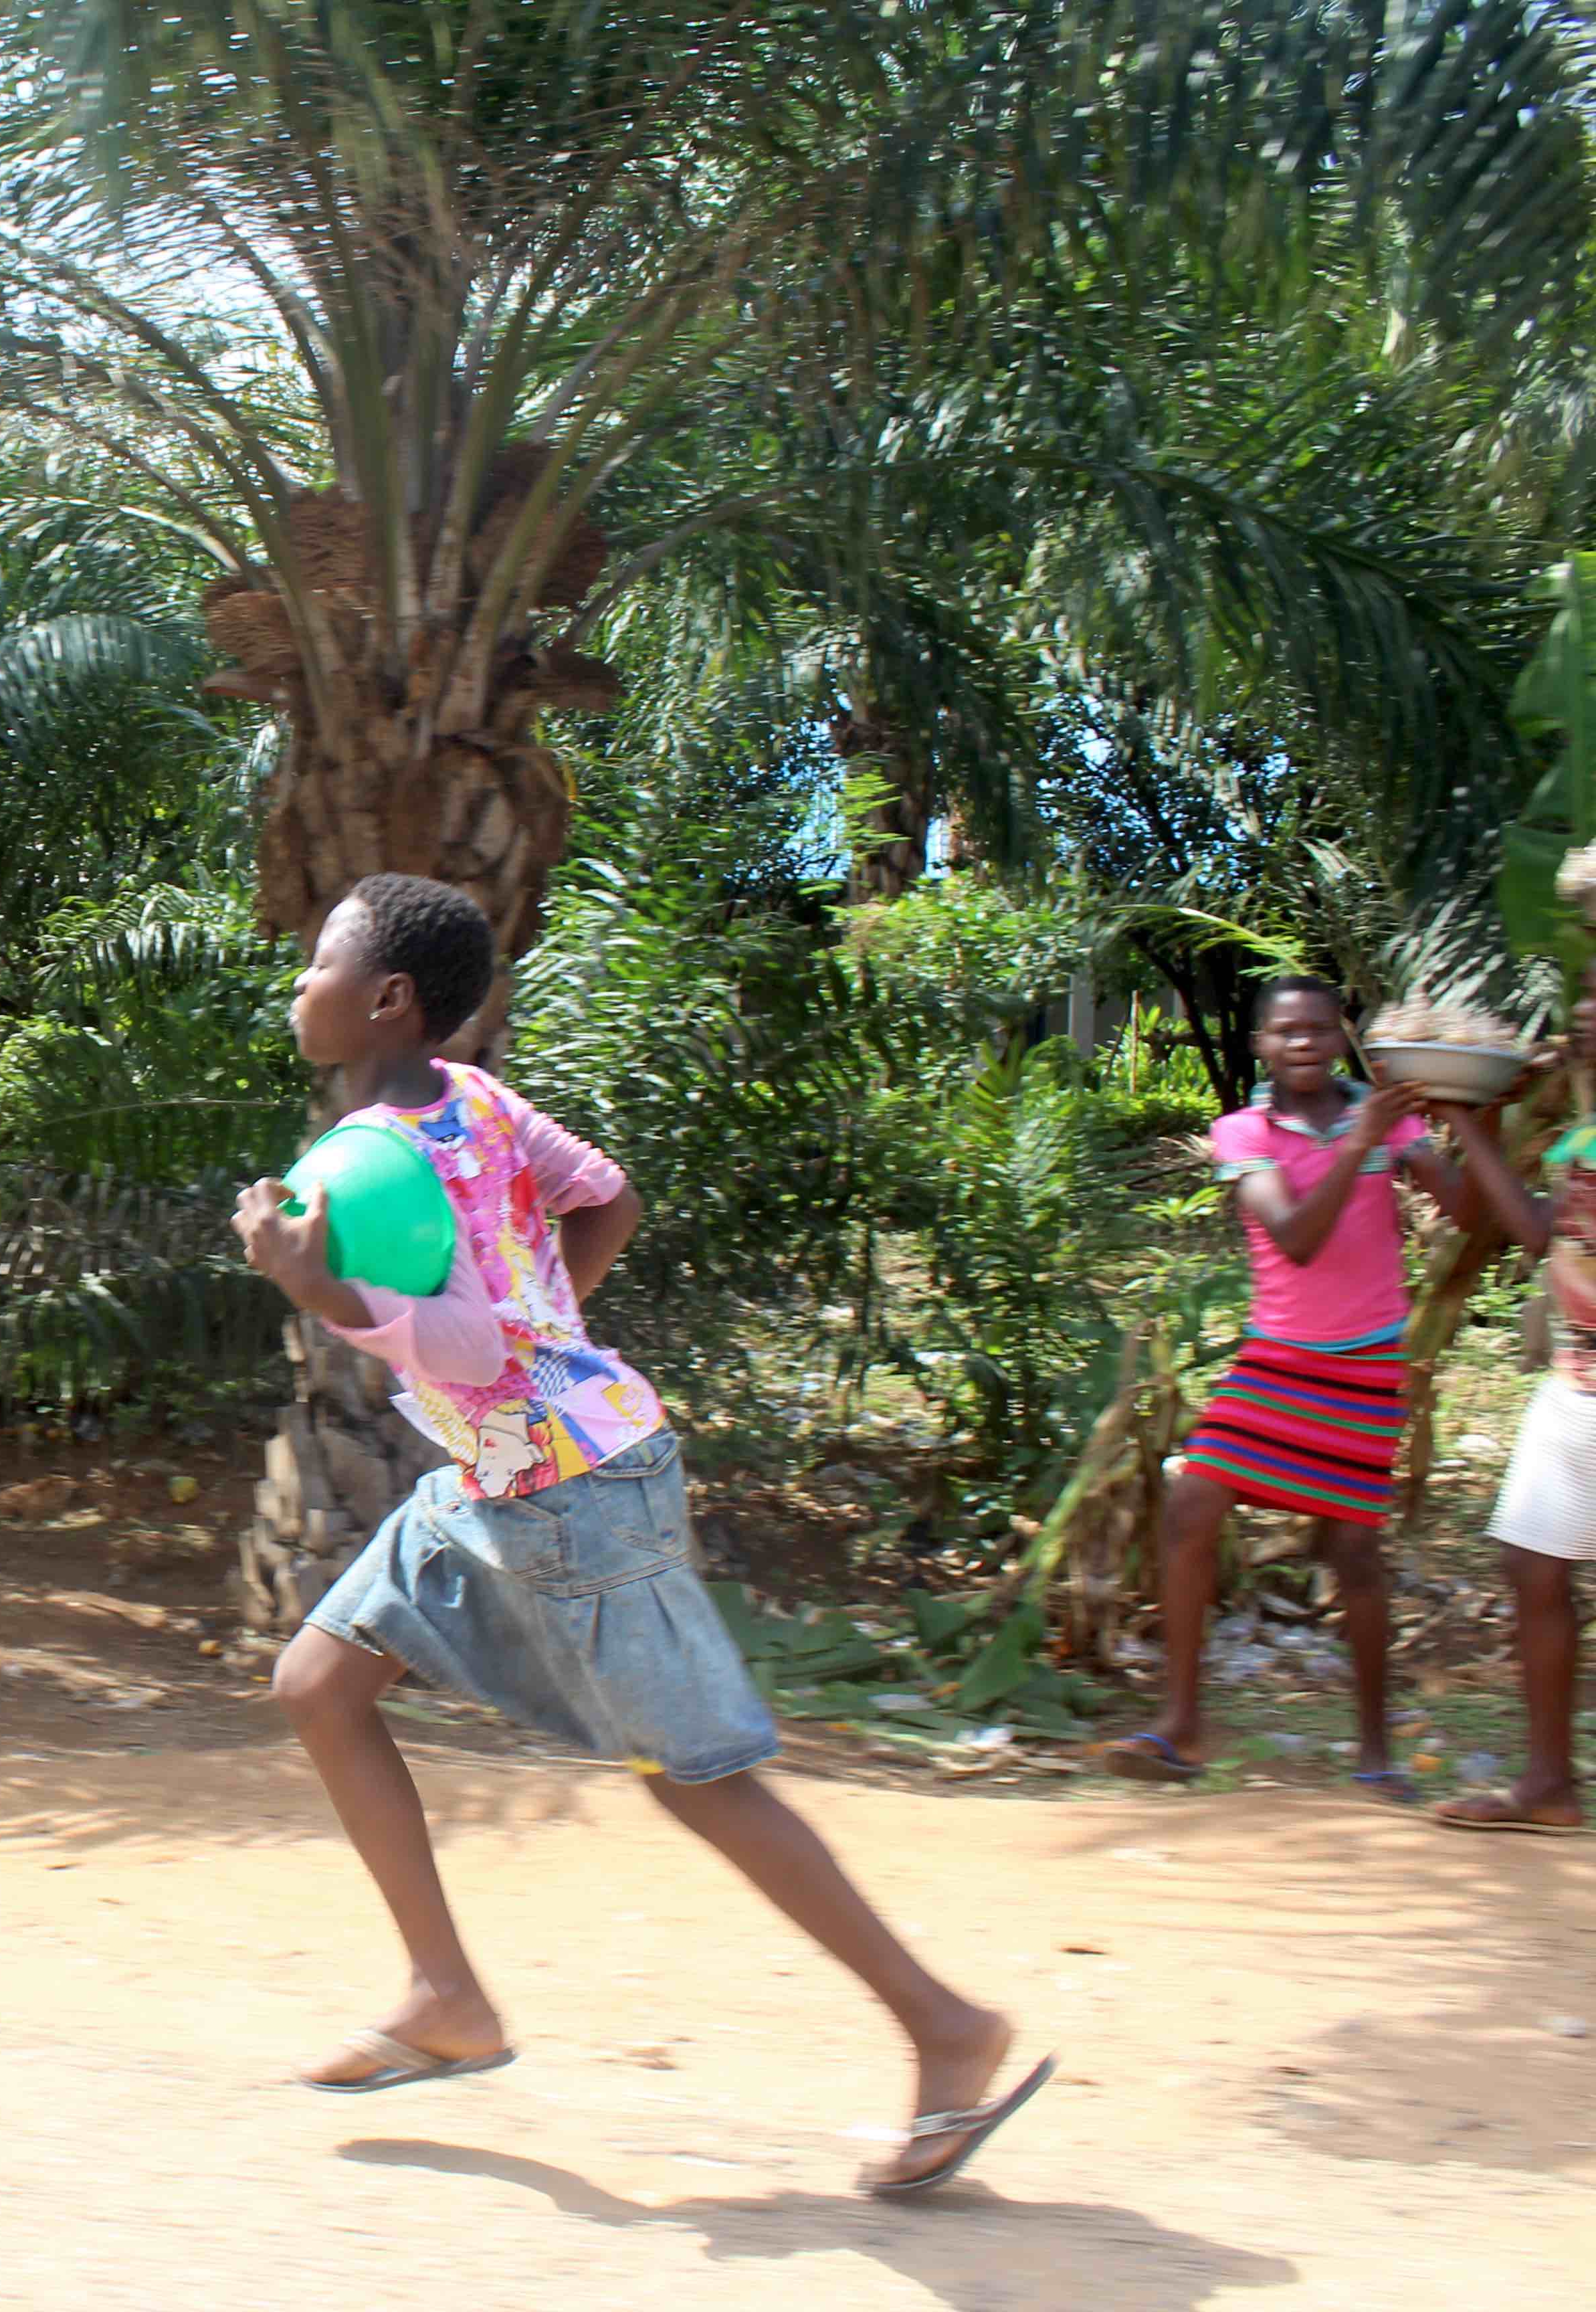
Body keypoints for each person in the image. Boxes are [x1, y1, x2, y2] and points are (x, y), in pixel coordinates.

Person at [232, 872, 1043, 2198]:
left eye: (318, 962)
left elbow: (471, 1343)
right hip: (508, 1470)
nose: (297, 983)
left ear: (386, 998)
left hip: (569, 1490)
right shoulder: (475, 1099)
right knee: (320, 1680)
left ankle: (944, 2026)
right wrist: (550, 1335)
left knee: (694, 1776)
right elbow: (606, 1197)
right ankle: (445, 1996)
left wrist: (318, 1288)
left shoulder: (383, 1156)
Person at [1101, 978, 1479, 1793]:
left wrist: (1458, 1117)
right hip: (1278, 1359)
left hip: (1366, 1362)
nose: (1302, 1042)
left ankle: (1375, 1753)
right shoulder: (1243, 1131)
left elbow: (1469, 1214)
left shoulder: (1387, 1119)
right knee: (1193, 1506)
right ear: (1260, 1047)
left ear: (1343, 1039)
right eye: (1285, 1031)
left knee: (1354, 1551)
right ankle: (1180, 1725)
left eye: (1318, 1028)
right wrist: (1360, 1143)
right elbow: (1296, 1239)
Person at [1423, 985, 1593, 1836]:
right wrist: (1472, 1119)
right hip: (1575, 1384)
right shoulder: (1585, 1137)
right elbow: (1538, 1232)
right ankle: (1549, 1784)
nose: (1586, 1017)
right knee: (1532, 1567)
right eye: (1586, 1002)